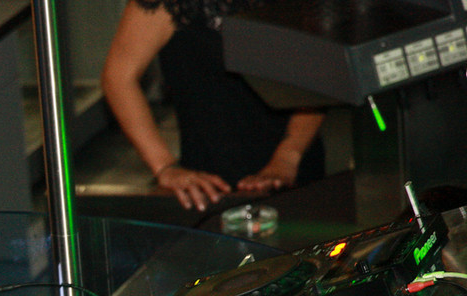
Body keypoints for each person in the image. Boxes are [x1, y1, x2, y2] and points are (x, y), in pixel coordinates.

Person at [101, 0, 326, 211]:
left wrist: (287, 158)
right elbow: (118, 77)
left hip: (296, 167)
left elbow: (318, 75)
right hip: (209, 182)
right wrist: (164, 166)